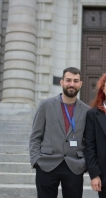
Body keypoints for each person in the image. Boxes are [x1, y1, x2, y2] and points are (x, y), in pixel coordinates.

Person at [29, 67, 90, 198]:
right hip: (47, 164)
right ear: (62, 82)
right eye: (68, 80)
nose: (71, 84)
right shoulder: (45, 105)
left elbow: (89, 140)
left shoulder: (87, 111)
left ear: (80, 84)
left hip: (74, 165)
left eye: (75, 81)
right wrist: (36, 160)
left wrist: (84, 163)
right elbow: (35, 136)